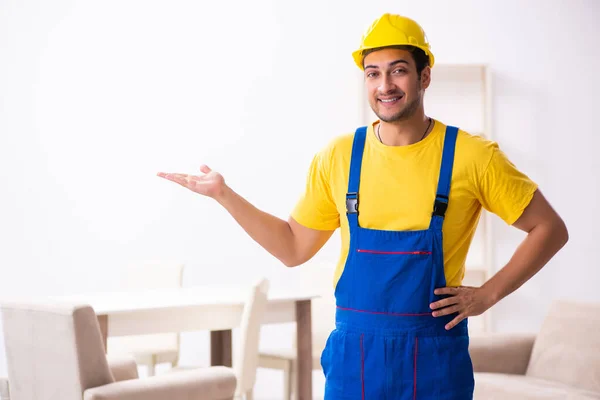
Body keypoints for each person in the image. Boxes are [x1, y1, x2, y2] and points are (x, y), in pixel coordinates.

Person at [157, 12, 569, 400]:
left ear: (425, 76)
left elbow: (550, 229)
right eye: (373, 73)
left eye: (398, 70)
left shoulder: (471, 155)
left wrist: (488, 295)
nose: (384, 84)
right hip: (355, 361)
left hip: (435, 361)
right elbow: (291, 248)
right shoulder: (339, 157)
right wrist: (224, 195)